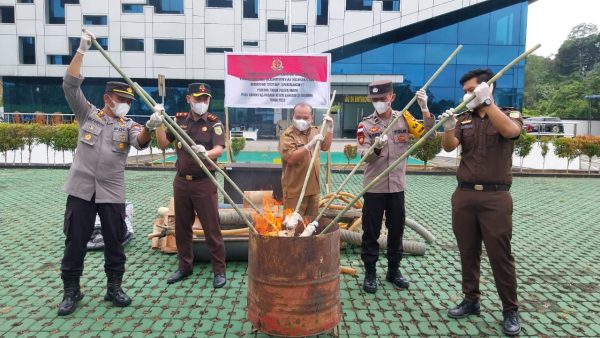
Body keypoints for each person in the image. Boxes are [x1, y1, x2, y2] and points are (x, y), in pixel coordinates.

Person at [58, 29, 153, 316]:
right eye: (120, 99)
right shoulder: (87, 114)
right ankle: (71, 290)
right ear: (107, 98)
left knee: (116, 242)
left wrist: (152, 124)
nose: (125, 105)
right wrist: (82, 50)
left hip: (112, 192)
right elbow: (70, 86)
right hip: (81, 190)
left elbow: (141, 142)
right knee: (75, 243)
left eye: (129, 102)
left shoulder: (129, 125)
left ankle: (114, 287)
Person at [440, 68, 522, 336]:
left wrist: (488, 103)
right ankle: (471, 300)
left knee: (500, 255)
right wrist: (448, 127)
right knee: (468, 251)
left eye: (471, 90)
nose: (466, 95)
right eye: (464, 91)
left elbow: (511, 132)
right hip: (464, 195)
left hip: (495, 197)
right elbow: (449, 146)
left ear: (487, 89)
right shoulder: (465, 119)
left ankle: (510, 309)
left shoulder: (507, 115)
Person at [357, 80, 434, 294]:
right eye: (375, 100)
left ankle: (393, 270)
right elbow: (365, 157)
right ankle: (370, 272)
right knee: (370, 232)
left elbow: (429, 136)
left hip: (397, 188)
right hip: (374, 187)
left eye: (383, 98)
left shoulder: (404, 119)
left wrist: (425, 108)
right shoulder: (365, 125)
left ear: (392, 97)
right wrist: (377, 148)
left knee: (396, 231)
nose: (379, 102)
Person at [154, 82, 227, 288]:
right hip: (182, 182)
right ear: (189, 99)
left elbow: (219, 149)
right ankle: (184, 266)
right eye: (198, 99)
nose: (202, 102)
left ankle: (219, 270)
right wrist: (159, 123)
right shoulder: (178, 121)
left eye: (205, 99)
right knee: (182, 227)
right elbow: (162, 144)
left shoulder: (214, 122)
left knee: (211, 227)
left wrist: (206, 153)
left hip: (204, 182)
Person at [278, 102, 333, 222]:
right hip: (295, 191)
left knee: (310, 225)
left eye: (305, 117)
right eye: (298, 117)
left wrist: (330, 129)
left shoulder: (315, 131)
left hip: (313, 190)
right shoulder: (287, 136)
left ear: (311, 118)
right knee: (291, 226)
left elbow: (325, 146)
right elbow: (291, 158)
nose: (301, 120)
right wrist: (310, 145)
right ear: (293, 116)